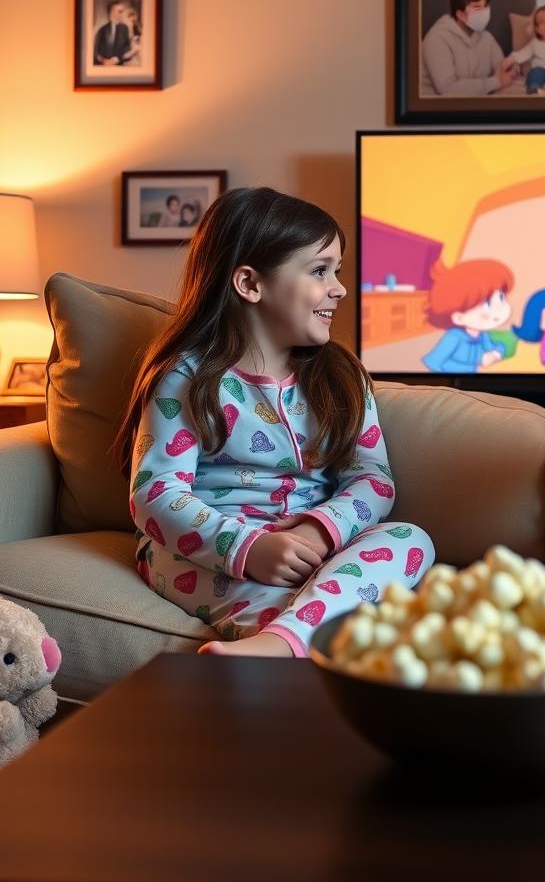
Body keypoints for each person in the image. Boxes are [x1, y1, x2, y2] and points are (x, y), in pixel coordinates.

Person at [112, 187, 435, 657]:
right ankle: (284, 644)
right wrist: (249, 548)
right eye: (320, 271)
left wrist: (317, 531)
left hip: (317, 550)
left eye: (337, 271)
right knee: (313, 614)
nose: (340, 288)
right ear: (250, 284)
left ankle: (284, 643)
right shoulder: (189, 377)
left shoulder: (341, 375)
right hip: (206, 553)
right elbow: (155, 493)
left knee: (411, 539)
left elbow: (374, 478)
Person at [421, 0, 516, 96]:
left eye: (486, 6)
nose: (484, 12)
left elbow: (501, 67)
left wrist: (511, 67)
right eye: (477, 8)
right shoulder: (437, 38)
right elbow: (447, 89)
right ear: (460, 14)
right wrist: (496, 82)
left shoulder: (486, 37)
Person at [421, 259, 513, 373]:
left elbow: (494, 347)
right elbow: (433, 362)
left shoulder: (482, 334)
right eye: (488, 303)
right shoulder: (454, 337)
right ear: (459, 317)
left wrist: (496, 353)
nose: (500, 308)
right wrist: (471, 368)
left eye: (501, 298)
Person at [93, 1, 132, 66]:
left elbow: (127, 48)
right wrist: (103, 60)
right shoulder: (102, 30)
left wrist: (118, 58)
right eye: (120, 12)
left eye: (122, 12)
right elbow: (95, 51)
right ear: (112, 12)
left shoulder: (125, 29)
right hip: (103, 67)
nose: (122, 14)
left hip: (120, 67)